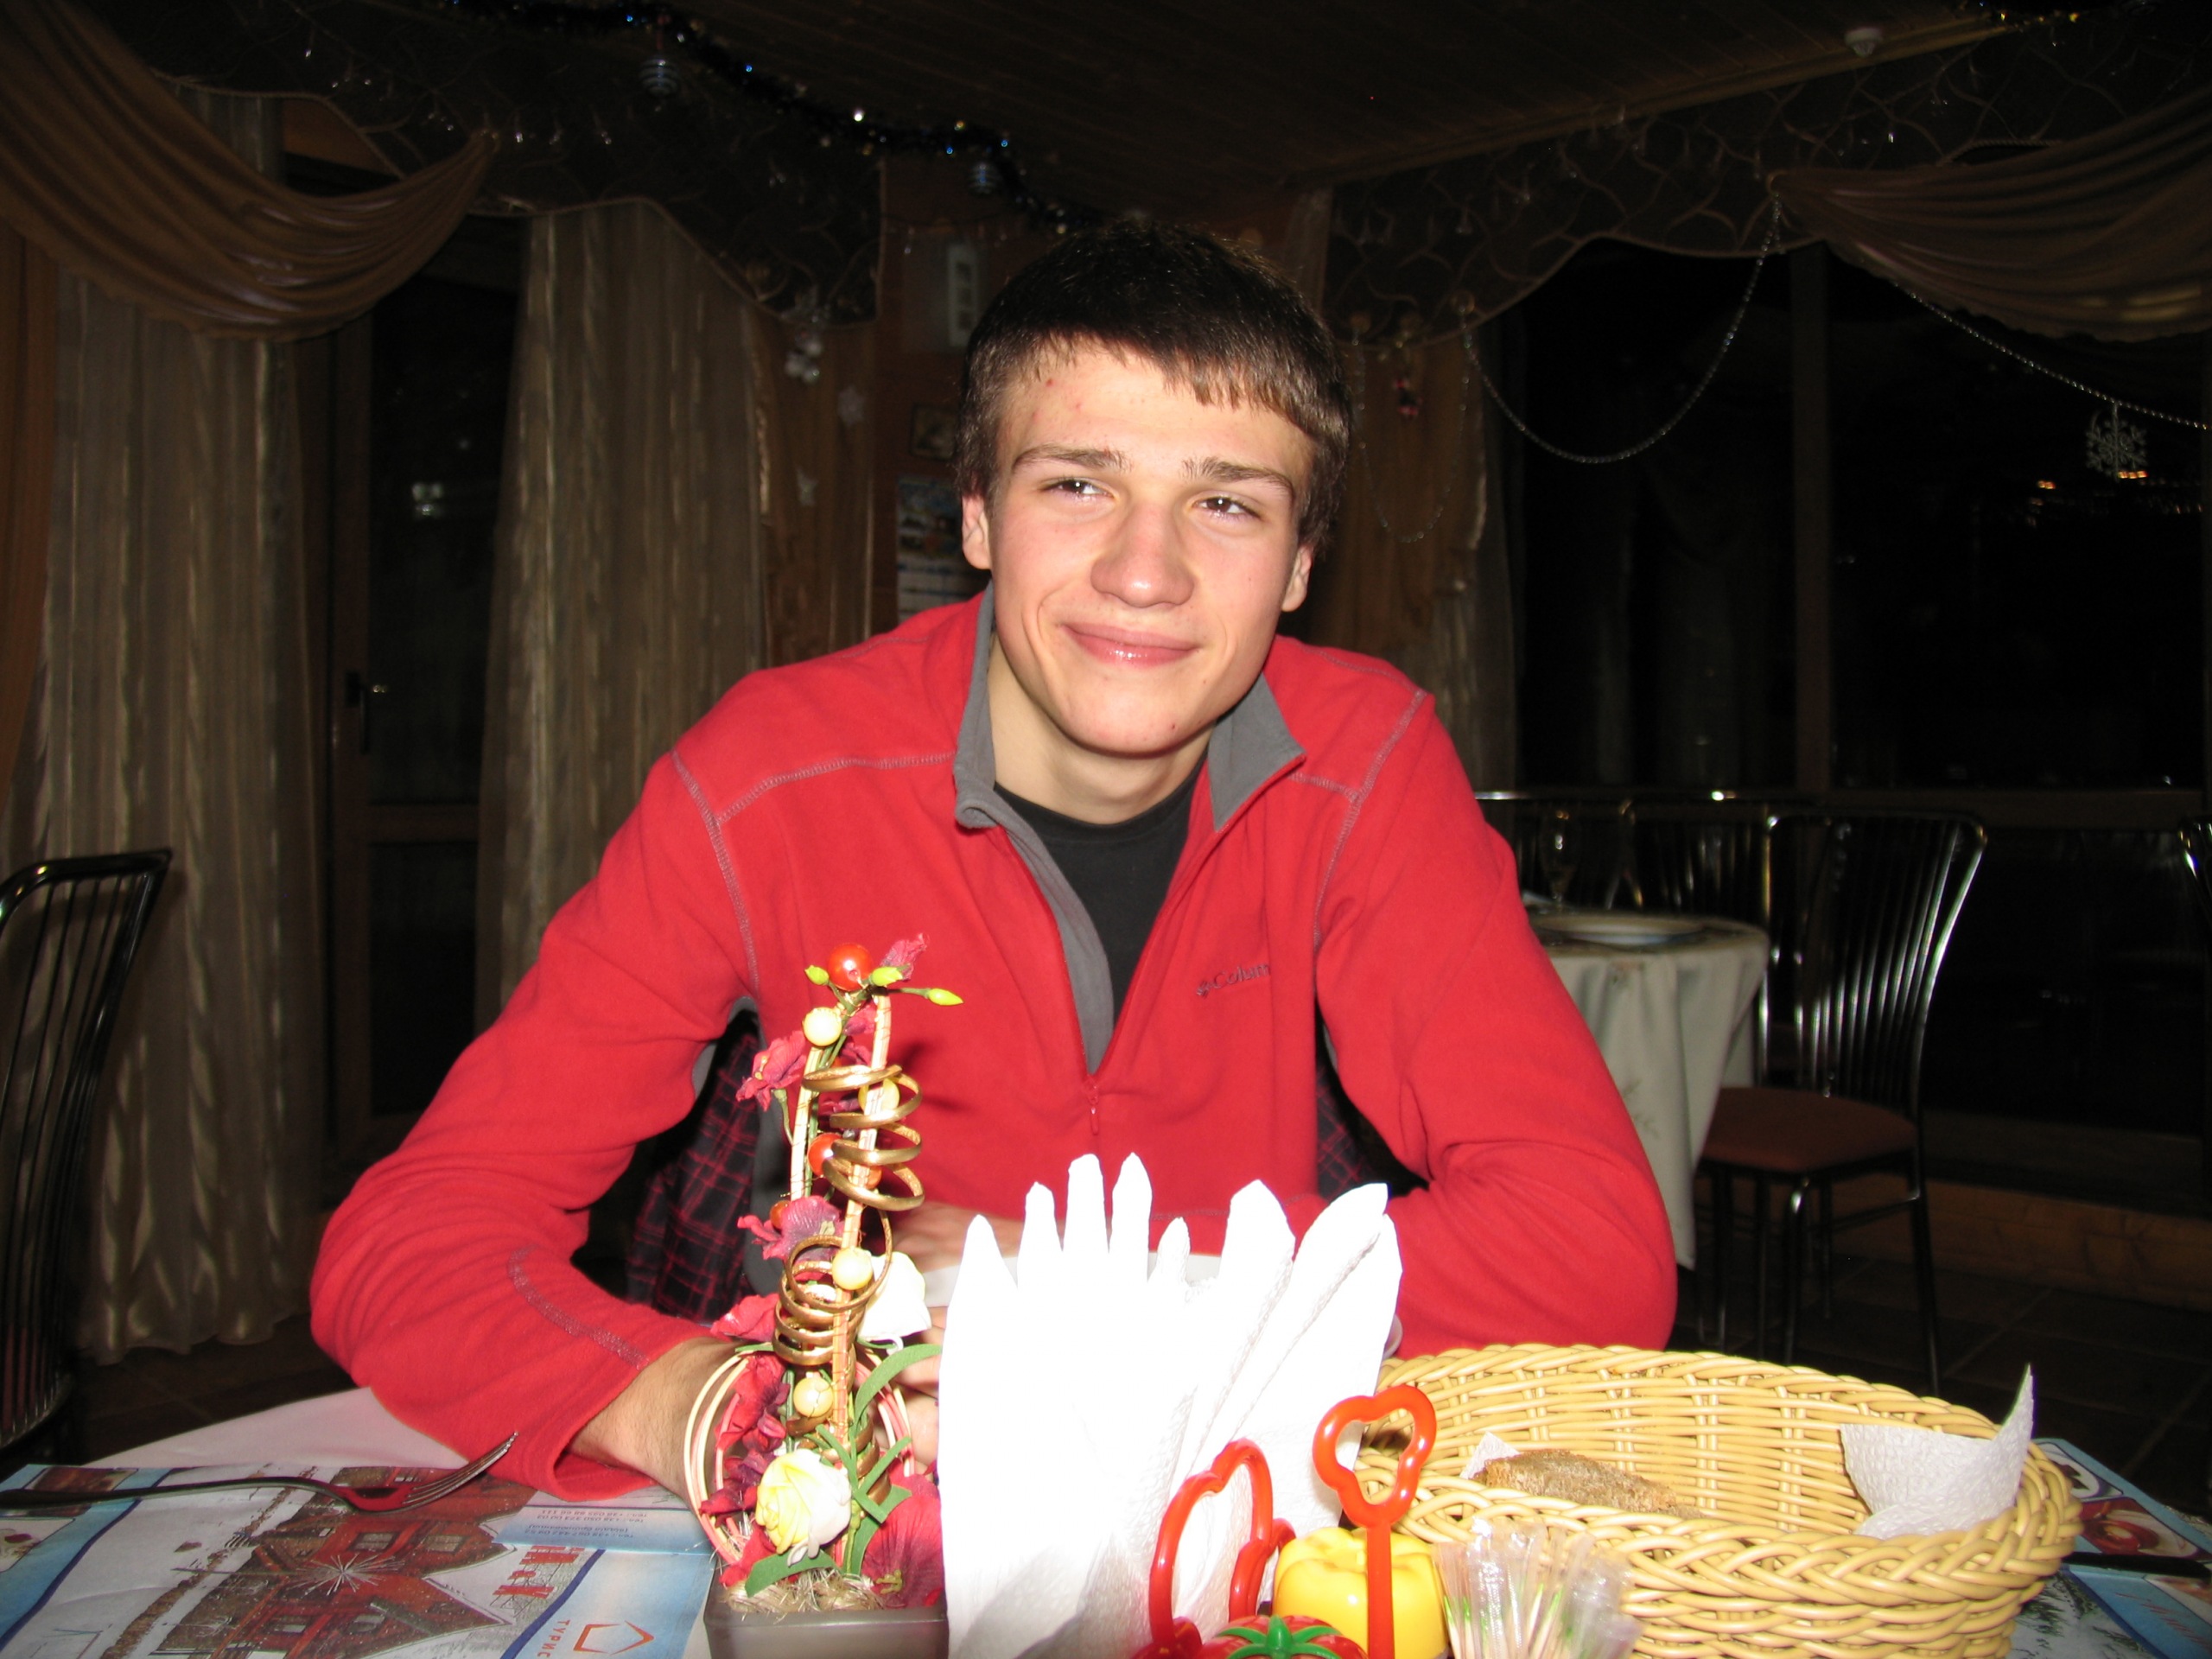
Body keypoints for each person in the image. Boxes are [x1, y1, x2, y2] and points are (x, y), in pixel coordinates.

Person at [311, 220, 1675, 1501]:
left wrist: (1075, 1285)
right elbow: (411, 1242)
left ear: (1303, 563)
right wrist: (715, 1407)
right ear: (973, 515)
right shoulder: (767, 777)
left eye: (1227, 504)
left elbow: (1596, 1252)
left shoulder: (1365, 762)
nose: (1145, 571)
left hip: (1228, 1510)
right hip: (883, 1515)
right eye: (1078, 484)